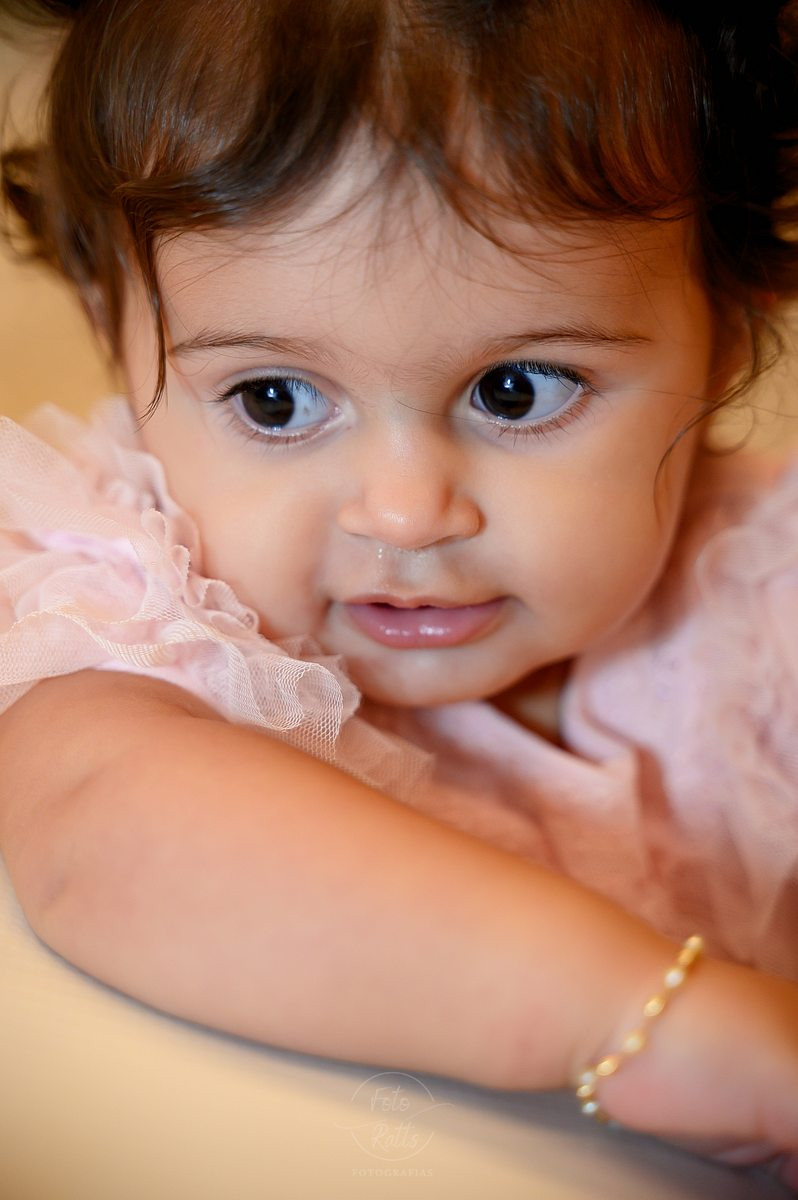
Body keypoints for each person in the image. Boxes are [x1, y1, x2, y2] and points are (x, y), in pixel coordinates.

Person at [0, 0, 797, 1184]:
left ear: (726, 332)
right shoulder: (141, 594)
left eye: (517, 390)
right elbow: (98, 825)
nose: (406, 513)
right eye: (274, 399)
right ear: (115, 331)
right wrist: (636, 1020)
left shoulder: (761, 583)